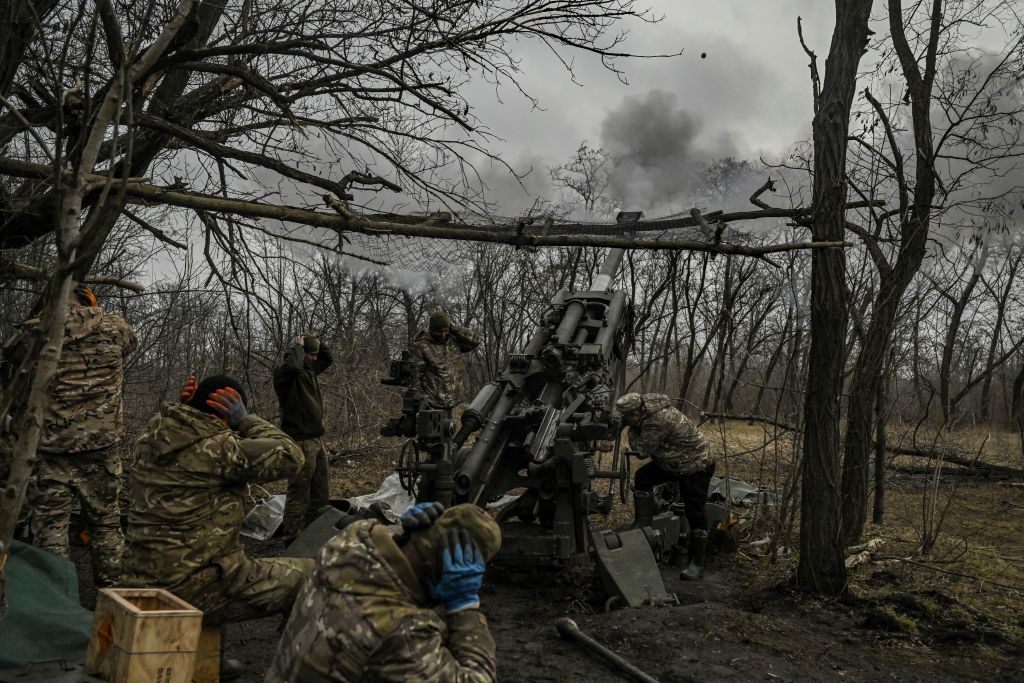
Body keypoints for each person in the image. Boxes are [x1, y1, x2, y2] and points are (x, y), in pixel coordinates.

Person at [121, 374, 313, 631]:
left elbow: (178, 423)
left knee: (219, 554)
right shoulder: (221, 450)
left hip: (137, 579)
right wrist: (245, 420)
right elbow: (292, 457)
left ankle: (209, 661)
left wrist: (187, 409)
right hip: (186, 589)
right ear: (225, 414)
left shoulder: (151, 436)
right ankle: (293, 663)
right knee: (312, 575)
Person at [265, 502, 501, 683]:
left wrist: (400, 531)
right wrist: (464, 606)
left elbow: (384, 540)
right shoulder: (404, 631)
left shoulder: (350, 541)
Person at [1, 284, 136, 587]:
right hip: (100, 446)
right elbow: (130, 345)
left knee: (51, 530)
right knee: (106, 525)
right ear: (90, 301)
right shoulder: (115, 327)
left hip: (50, 450)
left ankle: (60, 607)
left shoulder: (35, 333)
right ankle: (115, 604)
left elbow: (11, 352)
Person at [615, 392, 715, 581]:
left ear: (636, 414)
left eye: (627, 418)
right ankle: (642, 525)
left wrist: (631, 430)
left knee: (695, 513)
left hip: (696, 465)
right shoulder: (646, 409)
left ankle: (697, 564)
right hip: (673, 461)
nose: (625, 421)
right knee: (643, 477)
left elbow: (641, 450)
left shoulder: (657, 420)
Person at [273, 333, 334, 540]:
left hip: (316, 439)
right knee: (299, 491)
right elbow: (292, 367)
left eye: (316, 354)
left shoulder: (309, 370)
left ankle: (313, 534)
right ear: (300, 354)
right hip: (299, 440)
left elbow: (328, 358)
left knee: (320, 491)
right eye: (311, 354)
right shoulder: (285, 375)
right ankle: (292, 538)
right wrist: (298, 347)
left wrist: (315, 339)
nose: (315, 358)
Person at [409, 310, 480, 412]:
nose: (443, 335)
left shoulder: (454, 341)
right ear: (431, 329)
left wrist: (452, 327)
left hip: (454, 401)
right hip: (433, 404)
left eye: (446, 331)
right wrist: (423, 399)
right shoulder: (422, 346)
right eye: (439, 331)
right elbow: (416, 377)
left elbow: (476, 340)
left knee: (450, 427)